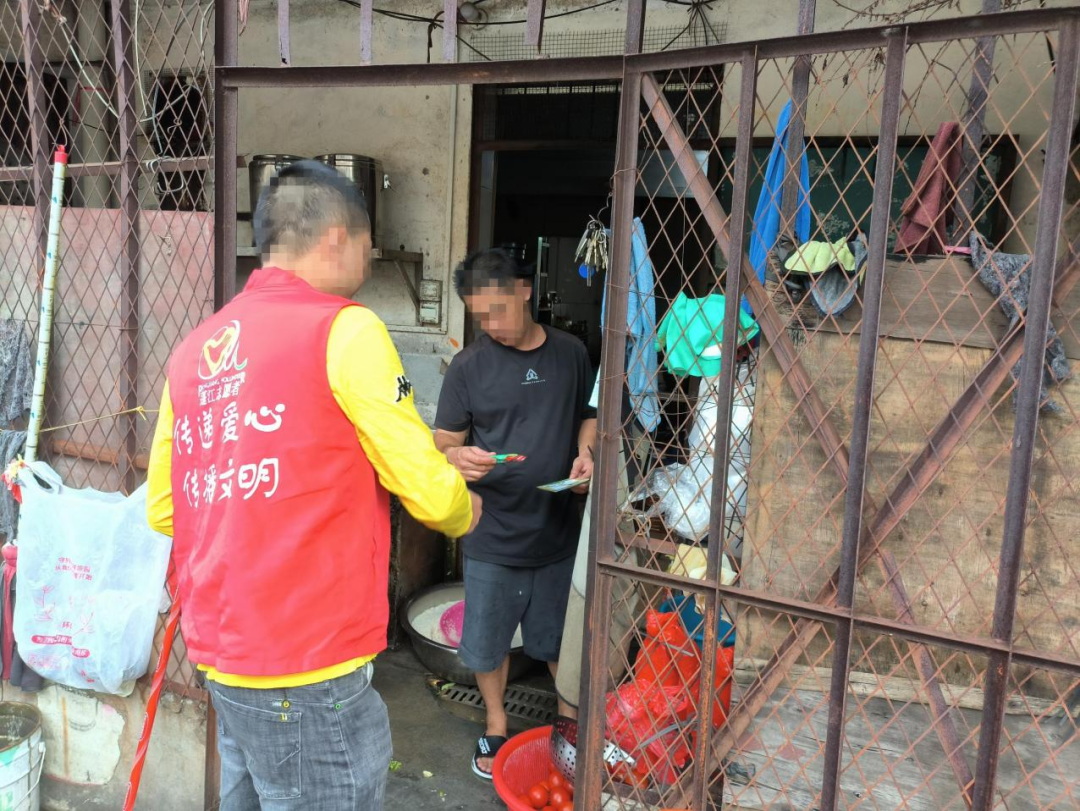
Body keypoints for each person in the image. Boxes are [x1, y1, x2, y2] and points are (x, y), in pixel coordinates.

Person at [146, 160, 480, 811]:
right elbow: (430, 491)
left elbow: (165, 508)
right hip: (308, 662)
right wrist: (469, 507)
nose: (367, 262)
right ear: (334, 238)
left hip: (221, 654)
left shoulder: (193, 350)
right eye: (366, 245)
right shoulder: (346, 328)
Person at [434, 248, 596, 779]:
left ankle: (569, 727)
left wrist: (587, 452)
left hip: (557, 530)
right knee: (488, 642)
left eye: (498, 311)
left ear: (525, 291)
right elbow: (444, 439)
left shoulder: (571, 353)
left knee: (558, 641)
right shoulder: (468, 366)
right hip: (493, 532)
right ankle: (496, 723)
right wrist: (456, 456)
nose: (491, 326)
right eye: (479, 317)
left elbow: (589, 414)